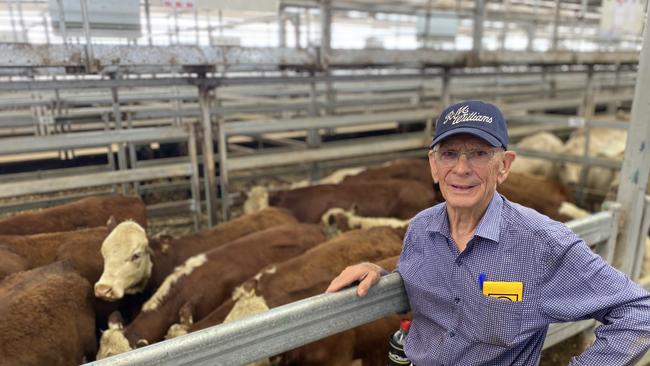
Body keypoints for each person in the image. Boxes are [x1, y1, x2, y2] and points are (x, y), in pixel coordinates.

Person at [326, 100, 650, 365]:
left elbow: (639, 312)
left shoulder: (542, 242)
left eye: (479, 154)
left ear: (504, 165)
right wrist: (379, 273)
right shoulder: (421, 229)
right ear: (434, 166)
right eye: (450, 154)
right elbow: (421, 283)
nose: (462, 169)